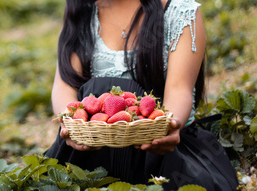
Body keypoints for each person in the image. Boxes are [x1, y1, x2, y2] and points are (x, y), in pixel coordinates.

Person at [44, 0, 239, 190]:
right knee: (99, 89)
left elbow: (179, 89)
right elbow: (64, 86)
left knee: (107, 87)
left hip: (158, 151)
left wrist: (168, 126)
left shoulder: (180, 12)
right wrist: (71, 124)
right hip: (94, 151)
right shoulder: (82, 13)